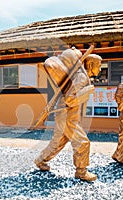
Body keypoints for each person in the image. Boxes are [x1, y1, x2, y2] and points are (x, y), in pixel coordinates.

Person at [34, 48, 102, 181]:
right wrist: (88, 90)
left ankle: (40, 160)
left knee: (58, 142)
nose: (100, 69)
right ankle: (81, 171)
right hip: (67, 115)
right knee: (82, 143)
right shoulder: (82, 77)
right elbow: (71, 99)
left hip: (65, 113)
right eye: (99, 65)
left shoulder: (81, 76)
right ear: (90, 65)